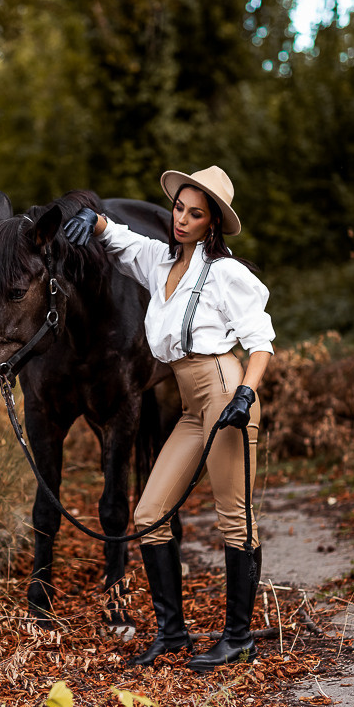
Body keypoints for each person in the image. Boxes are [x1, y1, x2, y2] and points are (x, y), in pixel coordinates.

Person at [63, 166, 274, 673]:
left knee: (234, 517)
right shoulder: (160, 263)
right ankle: (172, 634)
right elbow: (119, 237)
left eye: (194, 214)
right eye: (179, 208)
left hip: (226, 393)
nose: (181, 219)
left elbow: (261, 341)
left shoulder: (226, 273)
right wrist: (91, 219)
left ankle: (238, 637)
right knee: (151, 513)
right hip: (189, 402)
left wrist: (245, 395)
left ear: (212, 224)